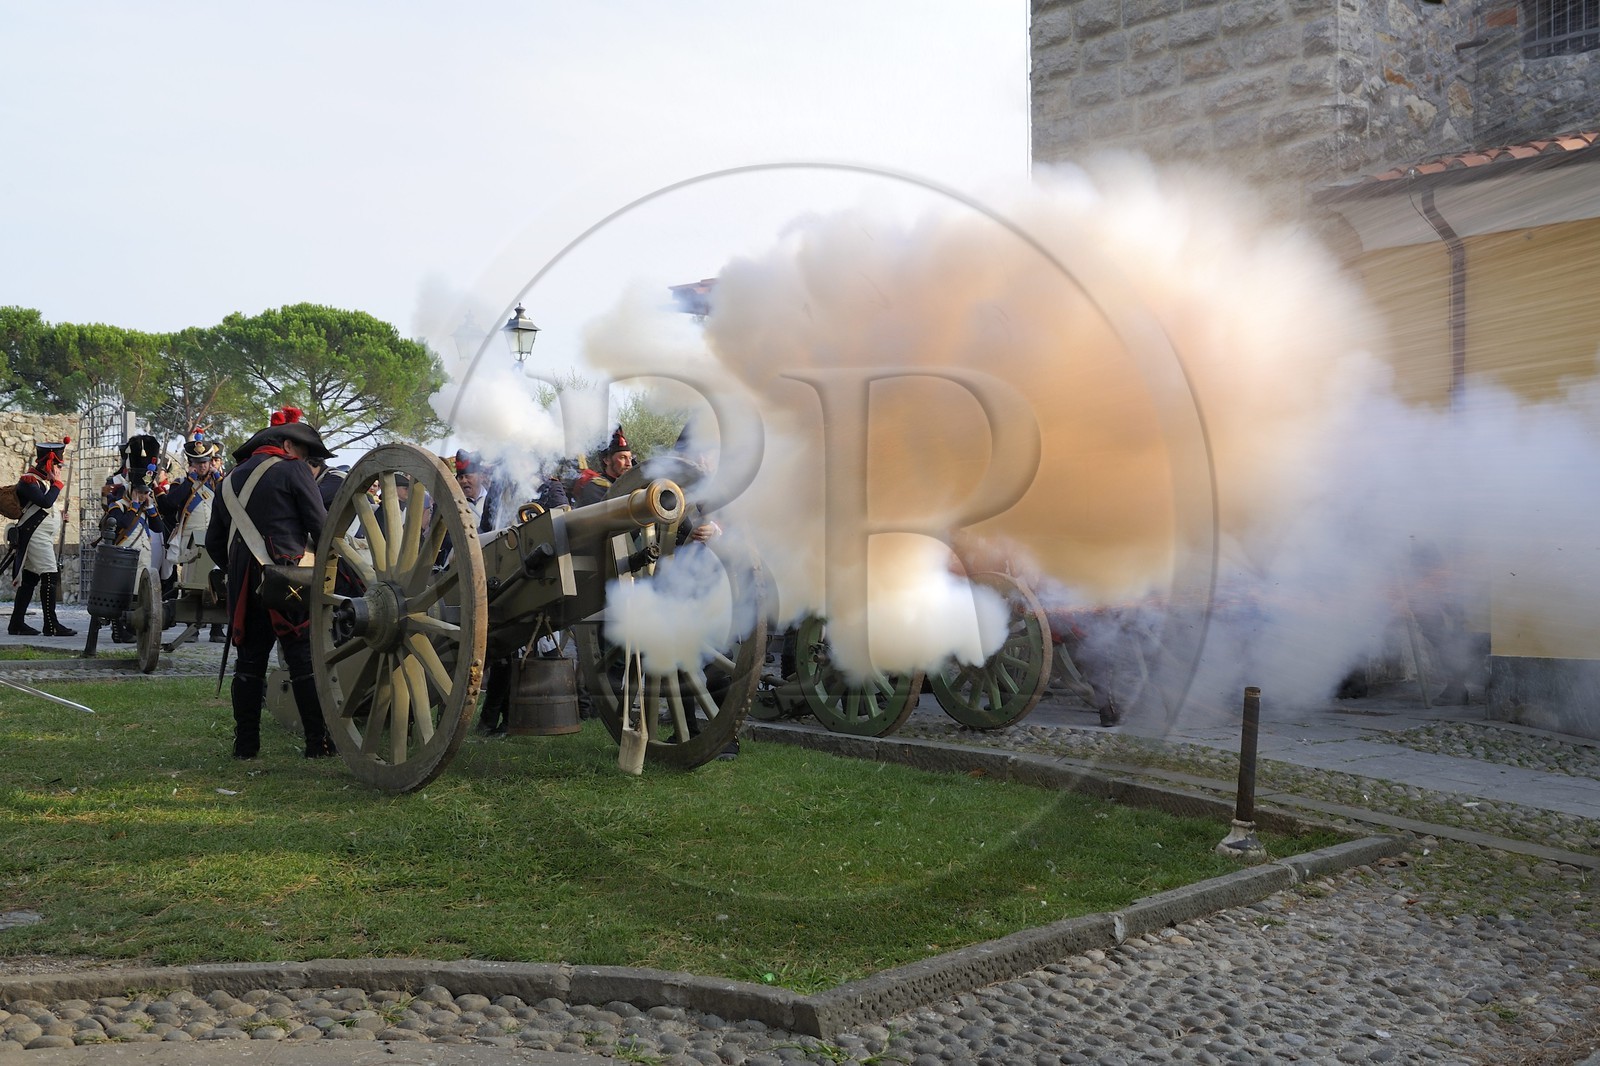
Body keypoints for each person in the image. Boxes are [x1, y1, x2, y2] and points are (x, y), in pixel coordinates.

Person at [205, 406, 335, 760]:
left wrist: (237, 566)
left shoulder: (228, 479)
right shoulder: (293, 470)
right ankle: (317, 744)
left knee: (248, 663)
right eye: (306, 452)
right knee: (303, 661)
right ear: (289, 445)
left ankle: (246, 745)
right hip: (287, 580)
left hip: (243, 585)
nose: (308, 460)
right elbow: (321, 528)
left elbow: (215, 543)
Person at [159, 431, 227, 643]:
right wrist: (190, 480)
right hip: (191, 540)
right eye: (198, 462)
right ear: (191, 463)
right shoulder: (183, 483)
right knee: (191, 581)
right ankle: (192, 627)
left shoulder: (219, 483)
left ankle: (217, 629)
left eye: (205, 462)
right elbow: (171, 504)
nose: (202, 466)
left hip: (215, 538)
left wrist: (218, 478)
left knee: (218, 582)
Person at [8, 437, 75, 637]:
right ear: (48, 463)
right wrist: (57, 484)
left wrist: (59, 515)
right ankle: (51, 625)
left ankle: (17, 624)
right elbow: (44, 502)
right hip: (35, 537)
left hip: (41, 536)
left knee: (30, 579)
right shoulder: (28, 480)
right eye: (56, 465)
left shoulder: (41, 482)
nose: (58, 469)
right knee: (50, 575)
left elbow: (45, 507)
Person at [571, 427, 633, 507]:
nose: (628, 463)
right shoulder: (595, 488)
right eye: (622, 457)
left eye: (630, 458)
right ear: (607, 460)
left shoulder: (630, 484)